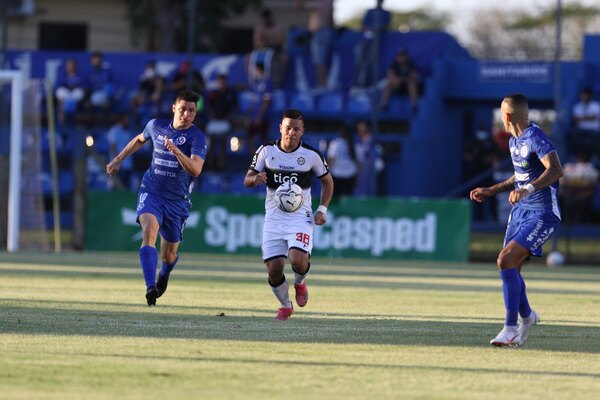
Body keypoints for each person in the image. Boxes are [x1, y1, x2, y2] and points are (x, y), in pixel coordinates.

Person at [470, 93, 564, 347]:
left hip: (542, 212)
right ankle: (527, 317)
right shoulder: (514, 141)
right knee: (511, 268)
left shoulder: (535, 136)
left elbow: (556, 170)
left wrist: (528, 190)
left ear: (507, 116)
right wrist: (493, 190)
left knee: (505, 259)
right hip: (520, 212)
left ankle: (510, 328)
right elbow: (519, 176)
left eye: (501, 113)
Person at [106, 90, 208, 306]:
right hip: (151, 191)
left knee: (169, 255)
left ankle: (165, 273)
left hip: (177, 201)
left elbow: (196, 169)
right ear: (174, 108)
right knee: (149, 231)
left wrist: (177, 151)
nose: (187, 114)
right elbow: (139, 139)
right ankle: (150, 286)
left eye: (191, 111)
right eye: (183, 109)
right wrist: (117, 160)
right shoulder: (156, 125)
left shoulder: (197, 137)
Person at [243, 108, 333, 321]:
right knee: (274, 270)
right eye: (288, 128)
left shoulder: (311, 155)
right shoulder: (266, 151)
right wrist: (254, 180)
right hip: (274, 219)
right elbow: (247, 179)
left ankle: (300, 283)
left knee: (297, 260)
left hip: (300, 218)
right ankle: (285, 305)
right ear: (280, 128)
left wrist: (322, 209)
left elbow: (328, 182)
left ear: (302, 131)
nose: (291, 132)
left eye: (296, 129)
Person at [295, 0, 335, 90]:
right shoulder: (329, 3)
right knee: (323, 60)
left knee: (319, 61)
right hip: (328, 32)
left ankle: (322, 85)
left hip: (320, 33)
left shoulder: (319, 4)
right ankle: (325, 84)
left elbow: (300, 6)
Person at [353, 0, 392, 89]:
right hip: (365, 39)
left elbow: (386, 26)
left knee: (372, 62)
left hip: (377, 40)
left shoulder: (386, 13)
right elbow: (362, 24)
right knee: (359, 62)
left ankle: (369, 84)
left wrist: (376, 30)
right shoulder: (370, 11)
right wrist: (368, 30)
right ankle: (357, 84)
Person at [205, 73, 238, 170]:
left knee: (223, 141)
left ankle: (221, 164)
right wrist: (212, 116)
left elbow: (234, 108)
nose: (222, 84)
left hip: (226, 121)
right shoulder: (213, 93)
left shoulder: (230, 93)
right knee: (212, 141)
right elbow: (209, 107)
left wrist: (229, 117)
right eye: (220, 82)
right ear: (217, 82)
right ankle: (209, 164)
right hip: (215, 121)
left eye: (223, 82)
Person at [250, 8, 287, 88]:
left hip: (275, 52)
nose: (266, 20)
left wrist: (267, 42)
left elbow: (279, 42)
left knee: (282, 59)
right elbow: (257, 43)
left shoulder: (277, 27)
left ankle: (277, 84)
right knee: (249, 58)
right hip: (262, 52)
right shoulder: (259, 27)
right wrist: (267, 43)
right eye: (265, 18)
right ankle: (255, 83)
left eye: (268, 17)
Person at [559, 150, 599, 224]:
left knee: (581, 202)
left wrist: (576, 182)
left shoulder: (590, 167)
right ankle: (567, 221)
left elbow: (593, 182)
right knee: (565, 200)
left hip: (584, 192)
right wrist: (580, 182)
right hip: (569, 191)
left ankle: (580, 221)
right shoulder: (569, 166)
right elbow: (561, 180)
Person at [380, 48, 420, 113]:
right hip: (397, 86)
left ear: (406, 56)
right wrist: (402, 79)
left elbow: (415, 76)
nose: (401, 58)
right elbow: (391, 76)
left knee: (411, 84)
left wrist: (403, 79)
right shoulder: (394, 64)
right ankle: (384, 105)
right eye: (400, 56)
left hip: (407, 86)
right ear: (397, 56)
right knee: (387, 85)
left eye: (403, 56)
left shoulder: (411, 63)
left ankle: (414, 106)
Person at [245, 62, 272, 156]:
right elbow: (253, 101)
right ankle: (254, 159)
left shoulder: (267, 83)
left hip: (262, 117)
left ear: (259, 70)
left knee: (263, 138)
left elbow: (266, 101)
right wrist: (249, 115)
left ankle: (266, 159)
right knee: (250, 136)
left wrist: (260, 116)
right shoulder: (256, 84)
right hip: (253, 116)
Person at [354, 120, 384, 196]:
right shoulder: (359, 141)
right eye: (359, 130)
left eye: (362, 130)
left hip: (372, 168)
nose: (360, 132)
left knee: (372, 189)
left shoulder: (373, 140)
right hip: (362, 169)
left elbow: (379, 152)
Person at [327, 125, 358, 196]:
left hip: (337, 173)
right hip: (350, 174)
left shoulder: (335, 143)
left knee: (335, 198)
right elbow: (357, 163)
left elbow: (331, 159)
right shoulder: (354, 144)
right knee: (347, 198)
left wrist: (327, 173)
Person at [54, 58, 86, 125]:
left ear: (75, 66)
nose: (70, 68)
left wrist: (74, 88)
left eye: (72, 66)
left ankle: (73, 118)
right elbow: (58, 87)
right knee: (60, 92)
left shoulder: (80, 76)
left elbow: (84, 87)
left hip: (75, 95)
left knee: (79, 92)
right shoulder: (63, 76)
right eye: (68, 66)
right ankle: (61, 117)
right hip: (66, 94)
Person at [569, 87, 600, 155]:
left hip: (594, 131)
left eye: (587, 95)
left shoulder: (596, 106)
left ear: (590, 96)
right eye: (583, 95)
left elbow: (595, 117)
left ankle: (595, 158)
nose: (585, 97)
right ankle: (578, 158)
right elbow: (575, 119)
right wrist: (590, 117)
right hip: (581, 130)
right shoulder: (577, 106)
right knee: (573, 136)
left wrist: (582, 118)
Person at [106, 114, 134, 190]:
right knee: (116, 187)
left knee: (126, 188)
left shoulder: (127, 131)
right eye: (126, 119)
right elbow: (113, 147)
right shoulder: (114, 130)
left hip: (127, 164)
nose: (127, 121)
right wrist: (117, 162)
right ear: (121, 120)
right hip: (119, 166)